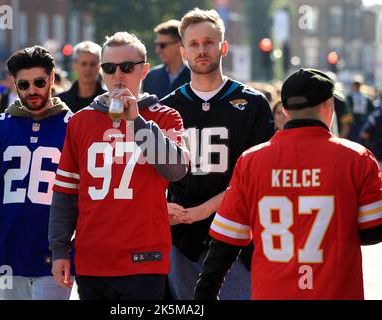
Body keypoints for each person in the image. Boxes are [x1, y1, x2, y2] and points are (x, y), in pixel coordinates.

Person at [194, 68, 382, 300]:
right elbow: (373, 230)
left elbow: (226, 242)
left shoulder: (251, 161)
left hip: (272, 292)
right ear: (329, 106)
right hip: (336, 291)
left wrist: (204, 295)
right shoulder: (357, 158)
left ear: (284, 109)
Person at [49, 31, 189, 300]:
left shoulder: (165, 116)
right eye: (109, 68)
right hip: (92, 259)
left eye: (127, 67)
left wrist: (136, 122)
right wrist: (59, 250)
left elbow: (176, 170)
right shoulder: (80, 121)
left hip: (144, 258)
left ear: (144, 70)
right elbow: (65, 192)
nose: (118, 75)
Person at [160, 8, 274, 300]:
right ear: (183, 51)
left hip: (236, 239)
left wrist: (202, 210)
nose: (202, 50)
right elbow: (152, 175)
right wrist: (162, 208)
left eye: (209, 42)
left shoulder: (252, 103)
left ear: (223, 46)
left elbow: (256, 179)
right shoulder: (167, 107)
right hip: (180, 238)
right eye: (194, 44)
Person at [0, 45, 74, 300]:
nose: (32, 90)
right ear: (14, 84)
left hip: (55, 254)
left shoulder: (74, 125)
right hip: (8, 252)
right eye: (23, 85)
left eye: (39, 82)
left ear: (52, 79)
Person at [142, 19, 191, 99]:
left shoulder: (195, 77)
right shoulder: (150, 77)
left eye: (162, 45)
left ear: (179, 44)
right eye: (156, 45)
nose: (157, 50)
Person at [57, 41, 106, 113]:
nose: (88, 69)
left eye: (92, 64)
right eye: (84, 64)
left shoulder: (107, 101)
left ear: (99, 67)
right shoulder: (60, 101)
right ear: (74, 65)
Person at [347, 77, 374, 143]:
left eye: (358, 85)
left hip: (362, 122)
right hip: (353, 122)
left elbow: (371, 112)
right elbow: (347, 111)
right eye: (355, 85)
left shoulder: (366, 98)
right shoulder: (349, 97)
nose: (357, 87)